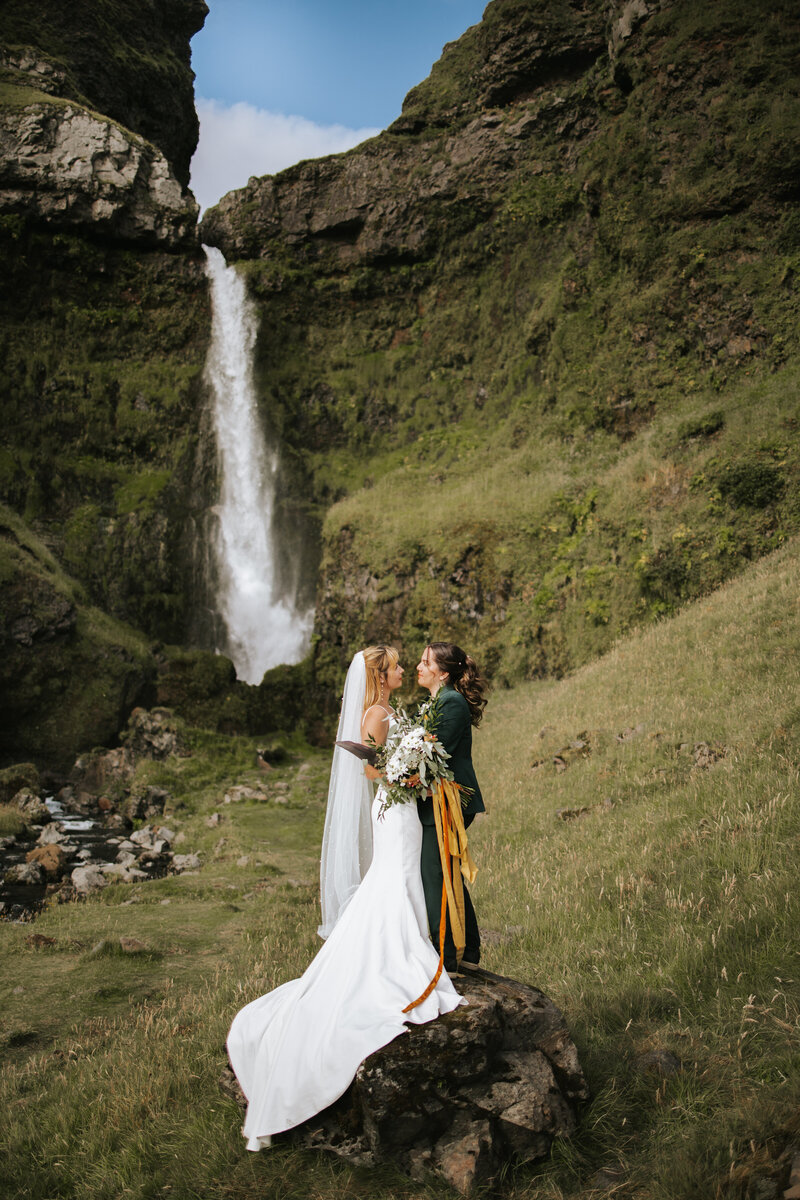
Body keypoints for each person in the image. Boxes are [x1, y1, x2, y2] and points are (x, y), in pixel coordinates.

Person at [227, 645, 465, 1150]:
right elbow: (372, 773)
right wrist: (408, 769)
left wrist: (412, 762)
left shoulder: (385, 711)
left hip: (399, 810)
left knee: (393, 879)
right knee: (392, 878)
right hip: (395, 809)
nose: (403, 670)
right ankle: (398, 950)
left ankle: (406, 937)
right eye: (398, 665)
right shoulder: (376, 714)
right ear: (381, 675)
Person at [416, 642, 487, 973]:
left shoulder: (452, 703)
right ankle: (469, 951)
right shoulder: (439, 701)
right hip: (440, 800)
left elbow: (431, 754)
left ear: (442, 672)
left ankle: (445, 958)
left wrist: (395, 768)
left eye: (425, 661)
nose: (419, 665)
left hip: (451, 801)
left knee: (434, 875)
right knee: (445, 871)